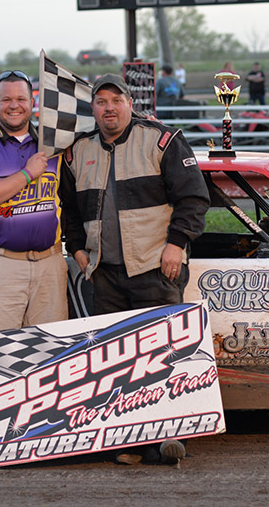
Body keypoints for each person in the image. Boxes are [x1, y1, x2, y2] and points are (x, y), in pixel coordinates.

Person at [60, 74, 209, 465]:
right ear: (92, 109)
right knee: (115, 363)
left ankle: (171, 438)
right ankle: (127, 441)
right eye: (101, 101)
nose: (108, 107)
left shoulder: (162, 140)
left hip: (155, 268)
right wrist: (76, 248)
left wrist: (177, 243)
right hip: (104, 273)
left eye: (116, 100)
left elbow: (194, 198)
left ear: (130, 102)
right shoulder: (77, 152)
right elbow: (68, 210)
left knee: (166, 356)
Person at [0, 70, 67, 333]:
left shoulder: (54, 144)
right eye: (6, 100)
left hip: (50, 263)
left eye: (21, 98)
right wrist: (28, 173)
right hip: (4, 264)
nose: (14, 105)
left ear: (33, 102)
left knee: (51, 353)